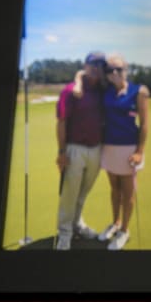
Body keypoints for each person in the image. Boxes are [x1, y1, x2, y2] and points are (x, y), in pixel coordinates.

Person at [54, 52, 106, 250]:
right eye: (93, 63)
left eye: (101, 64)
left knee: (83, 193)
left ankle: (77, 224)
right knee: (69, 193)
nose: (96, 67)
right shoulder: (70, 91)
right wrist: (61, 151)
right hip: (74, 148)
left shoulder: (103, 89)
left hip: (96, 149)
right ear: (85, 64)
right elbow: (61, 122)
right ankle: (64, 233)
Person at [97, 55, 149, 250]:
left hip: (129, 149)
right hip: (109, 147)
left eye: (119, 69)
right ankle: (116, 223)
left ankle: (124, 231)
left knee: (127, 193)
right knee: (114, 190)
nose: (115, 73)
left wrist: (140, 152)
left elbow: (144, 124)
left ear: (126, 69)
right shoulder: (106, 91)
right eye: (110, 70)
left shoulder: (139, 91)